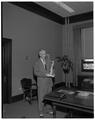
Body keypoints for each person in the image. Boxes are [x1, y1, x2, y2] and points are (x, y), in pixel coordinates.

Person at [34, 49, 55, 117]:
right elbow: (36, 73)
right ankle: (41, 111)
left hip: (49, 82)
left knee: (49, 97)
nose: (44, 55)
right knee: (41, 98)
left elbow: (51, 70)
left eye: (45, 53)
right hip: (42, 83)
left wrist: (53, 73)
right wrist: (45, 75)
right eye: (43, 54)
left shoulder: (48, 61)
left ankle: (48, 109)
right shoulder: (36, 62)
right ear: (39, 54)